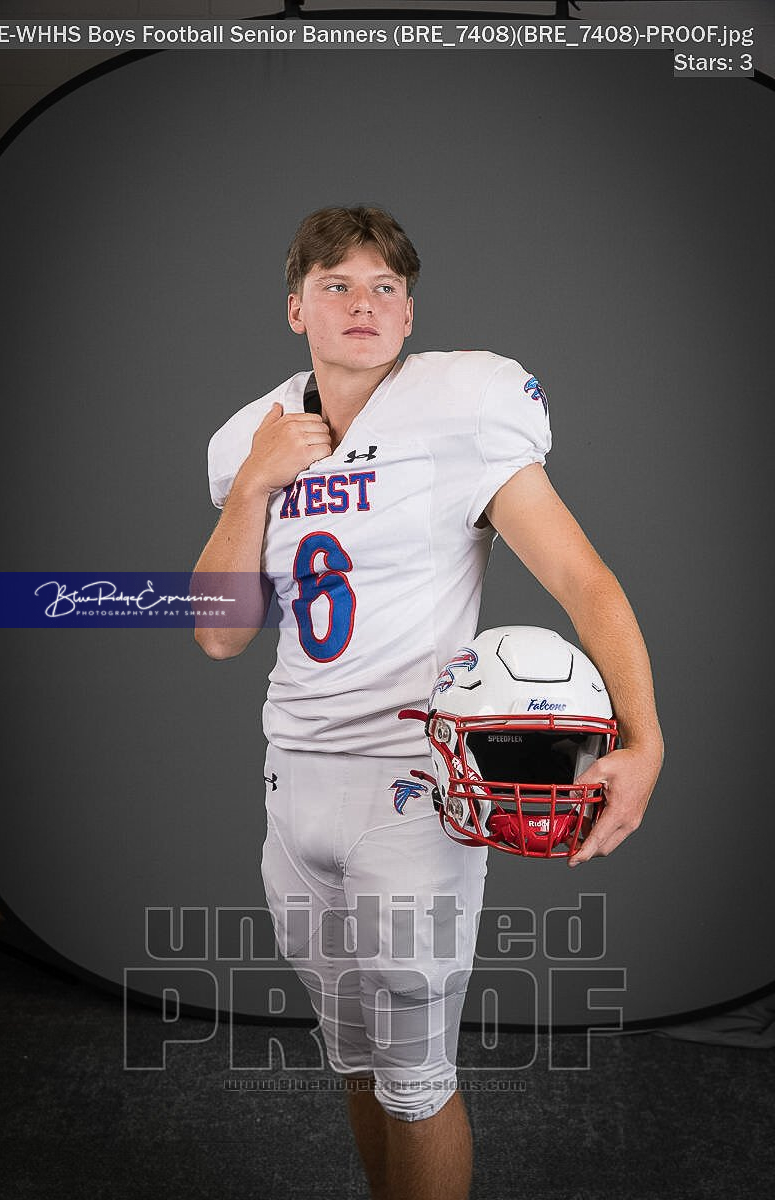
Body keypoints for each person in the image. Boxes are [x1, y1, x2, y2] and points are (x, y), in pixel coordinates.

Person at [192, 206, 663, 1200]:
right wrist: (251, 491)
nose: (362, 304)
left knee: (416, 1080)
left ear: (408, 314)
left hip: (413, 791)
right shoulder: (252, 438)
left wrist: (645, 738)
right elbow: (220, 633)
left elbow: (584, 581)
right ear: (295, 309)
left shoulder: (460, 410)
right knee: (356, 1063)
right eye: (335, 285)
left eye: (384, 288)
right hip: (292, 784)